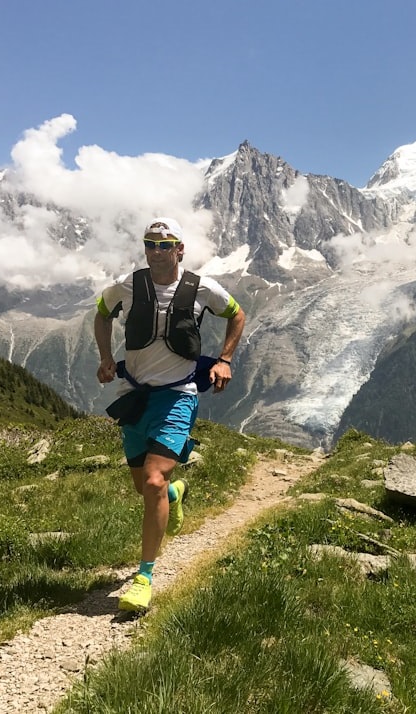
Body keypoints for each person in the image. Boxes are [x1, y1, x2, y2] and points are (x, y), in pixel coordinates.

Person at [93, 217, 245, 612]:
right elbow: (101, 312)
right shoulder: (128, 286)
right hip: (135, 394)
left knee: (155, 480)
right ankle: (176, 495)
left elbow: (237, 314)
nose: (157, 251)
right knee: (144, 488)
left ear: (180, 249)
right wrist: (107, 358)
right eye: (151, 244)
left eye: (165, 244)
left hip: (178, 395)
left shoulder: (202, 288)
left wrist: (225, 359)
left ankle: (144, 576)